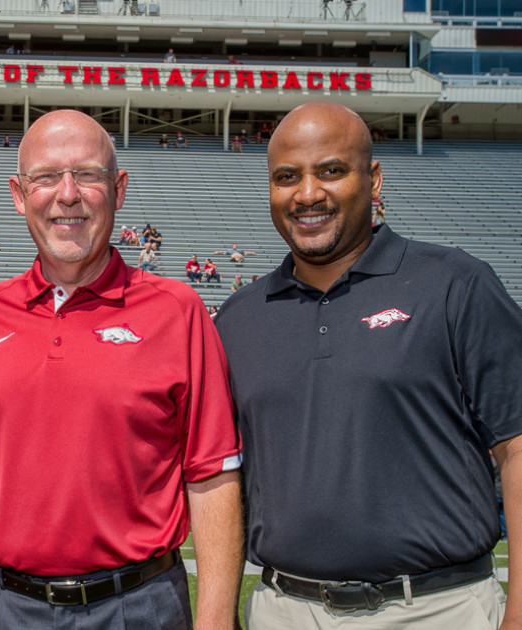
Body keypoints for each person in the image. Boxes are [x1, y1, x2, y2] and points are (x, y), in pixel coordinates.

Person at [213, 101, 522, 629]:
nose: (308, 194)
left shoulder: (455, 285)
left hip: (436, 608)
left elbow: (517, 447)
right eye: (287, 177)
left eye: (331, 171)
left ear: (373, 178)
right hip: (284, 610)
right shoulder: (238, 319)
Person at [0, 109, 243, 630]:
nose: (68, 194)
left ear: (119, 189)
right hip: (1, 606)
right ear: (17, 194)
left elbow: (212, 478)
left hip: (138, 605)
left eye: (88, 175)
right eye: (47, 177)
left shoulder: (178, 311)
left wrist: (213, 622)